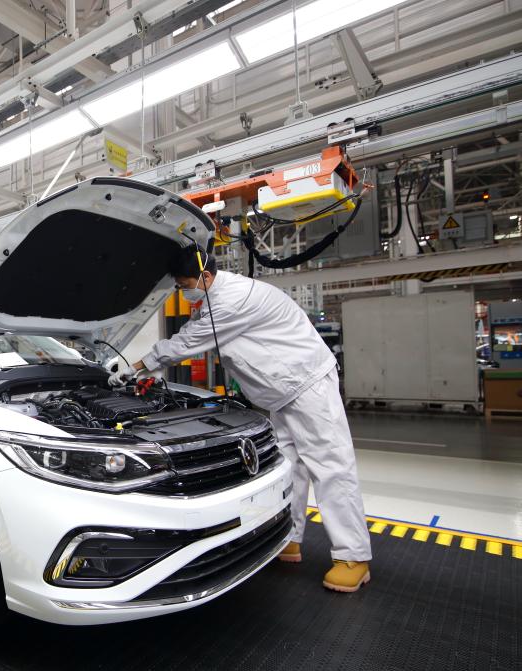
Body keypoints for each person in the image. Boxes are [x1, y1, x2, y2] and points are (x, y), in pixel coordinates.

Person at [109, 248, 372, 592]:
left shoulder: (232, 300)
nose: (183, 292)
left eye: (184, 285)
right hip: (282, 392)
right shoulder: (215, 299)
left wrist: (138, 366)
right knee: (289, 468)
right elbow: (195, 332)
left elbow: (189, 341)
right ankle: (290, 538)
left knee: (331, 467)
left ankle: (353, 557)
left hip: (307, 384)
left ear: (205, 277)